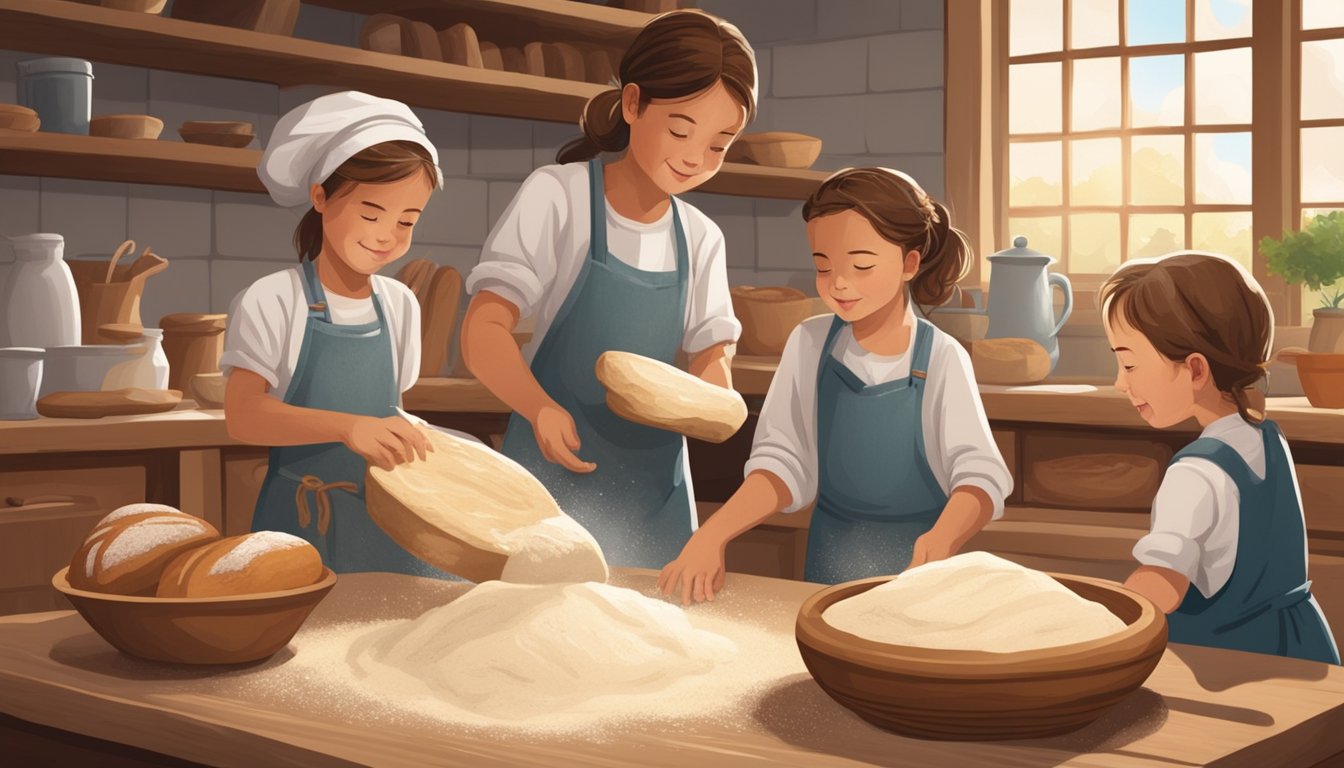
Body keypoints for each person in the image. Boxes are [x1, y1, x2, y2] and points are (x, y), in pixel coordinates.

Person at [460, 10, 757, 568]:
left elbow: (712, 359)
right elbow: (483, 330)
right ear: (633, 104)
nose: (695, 157)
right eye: (680, 129)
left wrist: (713, 405)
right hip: (551, 481)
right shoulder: (558, 196)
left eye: (719, 144)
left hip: (656, 497)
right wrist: (539, 408)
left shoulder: (702, 238)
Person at [660, 167, 1013, 602]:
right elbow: (783, 463)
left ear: (910, 263)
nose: (839, 283)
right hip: (827, 571)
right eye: (823, 267)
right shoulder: (809, 343)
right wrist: (712, 535)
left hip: (921, 580)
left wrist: (943, 539)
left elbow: (980, 477)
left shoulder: (941, 357)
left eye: (861, 265)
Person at [221, 90, 448, 576]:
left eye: (407, 221)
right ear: (321, 196)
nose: (388, 235)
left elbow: (389, 408)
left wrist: (416, 432)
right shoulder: (274, 299)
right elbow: (242, 415)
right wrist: (348, 427)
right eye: (371, 213)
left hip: (388, 527)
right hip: (299, 527)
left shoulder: (399, 305)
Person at [1100, 251, 1339, 663]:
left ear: (1195, 370)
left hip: (1231, 663)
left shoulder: (1194, 473)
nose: (1120, 383)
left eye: (1129, 364)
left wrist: (1091, 619)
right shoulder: (1266, 436)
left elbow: (1162, 586)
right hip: (1303, 645)